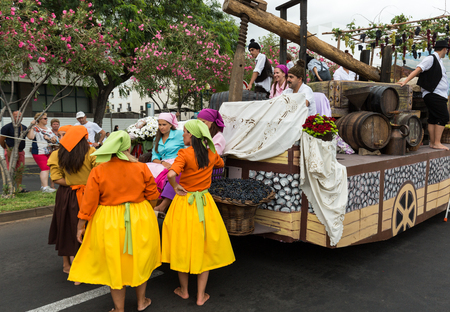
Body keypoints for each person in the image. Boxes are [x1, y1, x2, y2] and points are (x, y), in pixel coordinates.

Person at [68, 131, 161, 312]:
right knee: (139, 260)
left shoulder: (99, 170)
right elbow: (153, 195)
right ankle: (141, 302)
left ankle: (119, 309)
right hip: (139, 217)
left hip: (109, 220)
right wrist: (146, 210)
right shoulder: (141, 167)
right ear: (128, 147)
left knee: (115, 265)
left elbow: (89, 202)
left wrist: (81, 226)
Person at [161, 120, 235, 306]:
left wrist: (176, 187)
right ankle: (201, 296)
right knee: (204, 247)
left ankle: (184, 291)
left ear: (192, 135)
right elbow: (219, 164)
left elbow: (171, 174)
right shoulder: (210, 154)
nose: (183, 135)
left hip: (185, 203)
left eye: (185, 132)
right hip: (205, 204)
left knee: (182, 246)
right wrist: (209, 146)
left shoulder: (184, 153)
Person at [47, 126, 97, 277]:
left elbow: (56, 178)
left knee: (66, 226)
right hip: (87, 193)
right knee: (87, 228)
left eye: (64, 135)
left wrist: (72, 182)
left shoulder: (57, 154)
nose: (62, 137)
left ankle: (68, 263)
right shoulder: (91, 153)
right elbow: (99, 173)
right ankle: (84, 263)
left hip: (67, 194)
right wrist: (84, 184)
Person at [399, 39, 450, 150]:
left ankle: (433, 143)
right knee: (444, 117)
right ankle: (437, 142)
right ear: (444, 49)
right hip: (434, 94)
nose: (447, 52)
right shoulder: (431, 58)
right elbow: (418, 70)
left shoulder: (438, 60)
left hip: (438, 94)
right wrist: (405, 81)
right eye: (447, 50)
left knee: (433, 117)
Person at [149, 113, 185, 213]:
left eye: (164, 124)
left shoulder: (179, 134)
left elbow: (188, 148)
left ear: (171, 124)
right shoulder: (156, 138)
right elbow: (154, 157)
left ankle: (161, 206)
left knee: (173, 173)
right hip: (161, 163)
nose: (161, 127)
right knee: (144, 170)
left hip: (177, 161)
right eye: (160, 124)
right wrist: (162, 162)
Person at [27, 112, 57, 193]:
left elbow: (54, 140)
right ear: (39, 120)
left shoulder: (48, 129)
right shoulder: (35, 128)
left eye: (46, 118)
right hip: (39, 151)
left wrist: (51, 139)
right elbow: (31, 137)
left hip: (48, 151)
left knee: (48, 168)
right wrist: (31, 127)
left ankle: (43, 186)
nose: (47, 120)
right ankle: (45, 187)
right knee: (45, 168)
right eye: (45, 118)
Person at [0, 111, 29, 192]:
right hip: (10, 152)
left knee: (20, 170)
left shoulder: (24, 127)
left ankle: (19, 188)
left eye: (20, 116)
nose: (18, 118)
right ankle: (10, 188)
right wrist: (7, 149)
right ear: (12, 117)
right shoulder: (6, 127)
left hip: (21, 152)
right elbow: (2, 140)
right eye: (16, 116)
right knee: (11, 170)